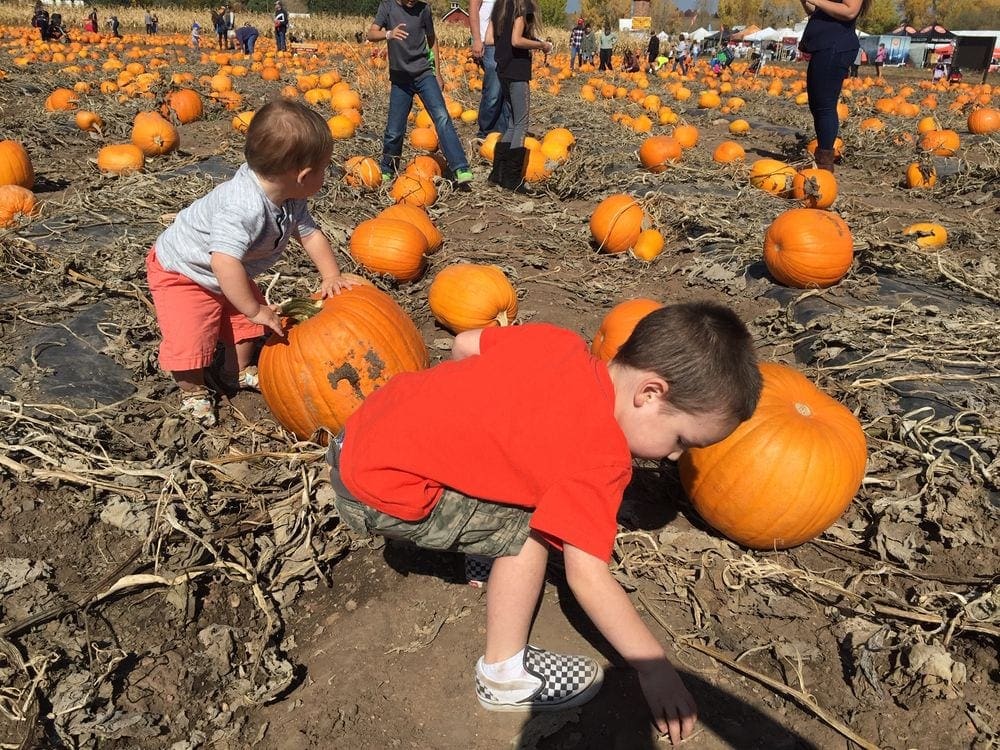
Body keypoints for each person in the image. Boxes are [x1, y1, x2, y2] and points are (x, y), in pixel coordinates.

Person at [326, 303, 762, 742]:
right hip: (380, 495)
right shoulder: (601, 459)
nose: (674, 457)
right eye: (681, 440)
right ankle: (503, 674)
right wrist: (654, 669)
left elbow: (463, 345)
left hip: (359, 435)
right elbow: (587, 577)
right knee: (532, 533)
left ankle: (477, 543)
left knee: (507, 458)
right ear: (650, 392)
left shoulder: (559, 342)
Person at [145, 100, 356, 427]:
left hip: (228, 272)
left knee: (246, 327)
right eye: (325, 168)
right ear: (302, 176)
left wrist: (331, 275)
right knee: (192, 333)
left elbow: (310, 234)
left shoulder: (291, 197)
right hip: (183, 272)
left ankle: (236, 371)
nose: (327, 175)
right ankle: (192, 390)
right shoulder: (243, 208)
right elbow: (223, 261)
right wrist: (254, 308)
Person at [368, 0, 473, 185]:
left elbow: (432, 39)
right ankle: (388, 169)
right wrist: (389, 34)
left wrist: (438, 73)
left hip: (424, 74)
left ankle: (460, 167)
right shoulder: (387, 6)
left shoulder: (424, 9)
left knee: (442, 117)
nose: (412, 1)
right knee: (395, 129)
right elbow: (371, 33)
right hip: (400, 79)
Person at [798, 0, 870, 172]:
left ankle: (824, 163)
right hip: (824, 47)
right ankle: (822, 159)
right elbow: (817, 12)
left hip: (834, 47)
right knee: (817, 105)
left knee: (824, 106)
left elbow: (850, 11)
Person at [488, 0, 551, 192]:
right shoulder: (524, 6)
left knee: (512, 123)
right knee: (521, 123)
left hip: (503, 68)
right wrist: (542, 45)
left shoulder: (499, 5)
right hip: (517, 70)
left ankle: (497, 174)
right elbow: (516, 40)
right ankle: (512, 179)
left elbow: (489, 39)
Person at [470, 0, 510, 140]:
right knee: (493, 91)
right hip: (488, 42)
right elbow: (473, 8)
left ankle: (501, 133)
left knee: (506, 91)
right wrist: (476, 39)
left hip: (507, 43)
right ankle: (485, 132)